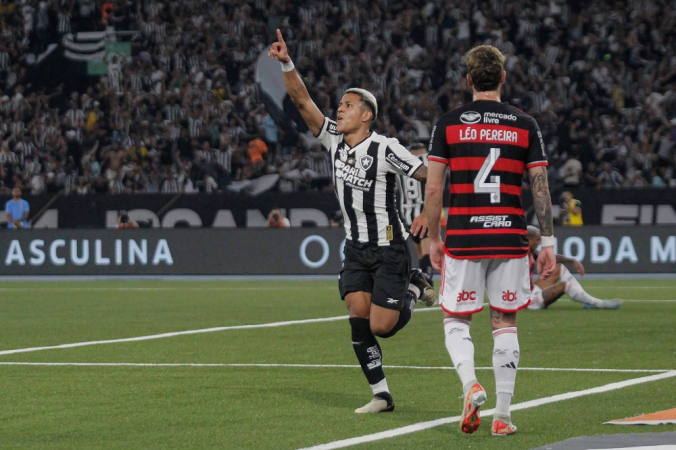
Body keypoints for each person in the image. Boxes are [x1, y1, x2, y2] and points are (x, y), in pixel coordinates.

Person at [269, 29, 436, 414]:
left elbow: (426, 174)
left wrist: (435, 201)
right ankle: (382, 395)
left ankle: (412, 288)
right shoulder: (333, 140)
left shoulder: (386, 147)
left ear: (366, 114)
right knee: (357, 317)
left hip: (390, 247)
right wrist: (287, 63)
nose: (339, 109)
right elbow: (301, 99)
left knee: (382, 325)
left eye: (347, 105)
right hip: (356, 248)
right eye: (339, 105)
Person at [425, 45, 556, 437]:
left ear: (468, 81)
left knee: (456, 319)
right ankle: (502, 415)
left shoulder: (448, 123)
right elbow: (540, 186)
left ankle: (470, 385)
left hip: (464, 236)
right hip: (509, 235)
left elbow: (434, 190)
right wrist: (547, 238)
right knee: (505, 321)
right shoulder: (525, 124)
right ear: (502, 78)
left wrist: (434, 238)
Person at [527, 226, 621, 310]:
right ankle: (597, 303)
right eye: (537, 239)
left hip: (529, 292)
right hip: (527, 301)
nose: (539, 243)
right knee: (565, 285)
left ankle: (587, 299)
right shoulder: (518, 257)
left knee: (559, 269)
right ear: (528, 240)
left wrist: (572, 260)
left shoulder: (529, 252)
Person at [396, 142, 435, 287]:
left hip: (407, 215)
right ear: (423, 151)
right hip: (425, 213)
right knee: (427, 253)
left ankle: (423, 281)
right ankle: (427, 282)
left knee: (420, 254)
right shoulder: (428, 161)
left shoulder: (402, 164)